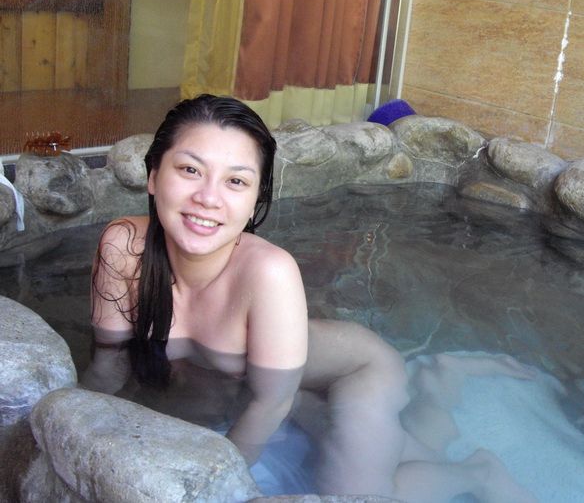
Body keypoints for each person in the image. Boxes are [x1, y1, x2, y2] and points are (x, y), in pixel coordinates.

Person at [85, 94, 536, 502]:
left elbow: (270, 404)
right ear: (153, 176)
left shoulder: (269, 272)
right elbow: (109, 363)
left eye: (236, 181)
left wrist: (216, 491)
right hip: (281, 380)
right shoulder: (123, 247)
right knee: (384, 449)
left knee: (363, 497)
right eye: (190, 170)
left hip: (352, 371)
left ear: (256, 199)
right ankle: (438, 381)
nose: (208, 198)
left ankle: (477, 471)